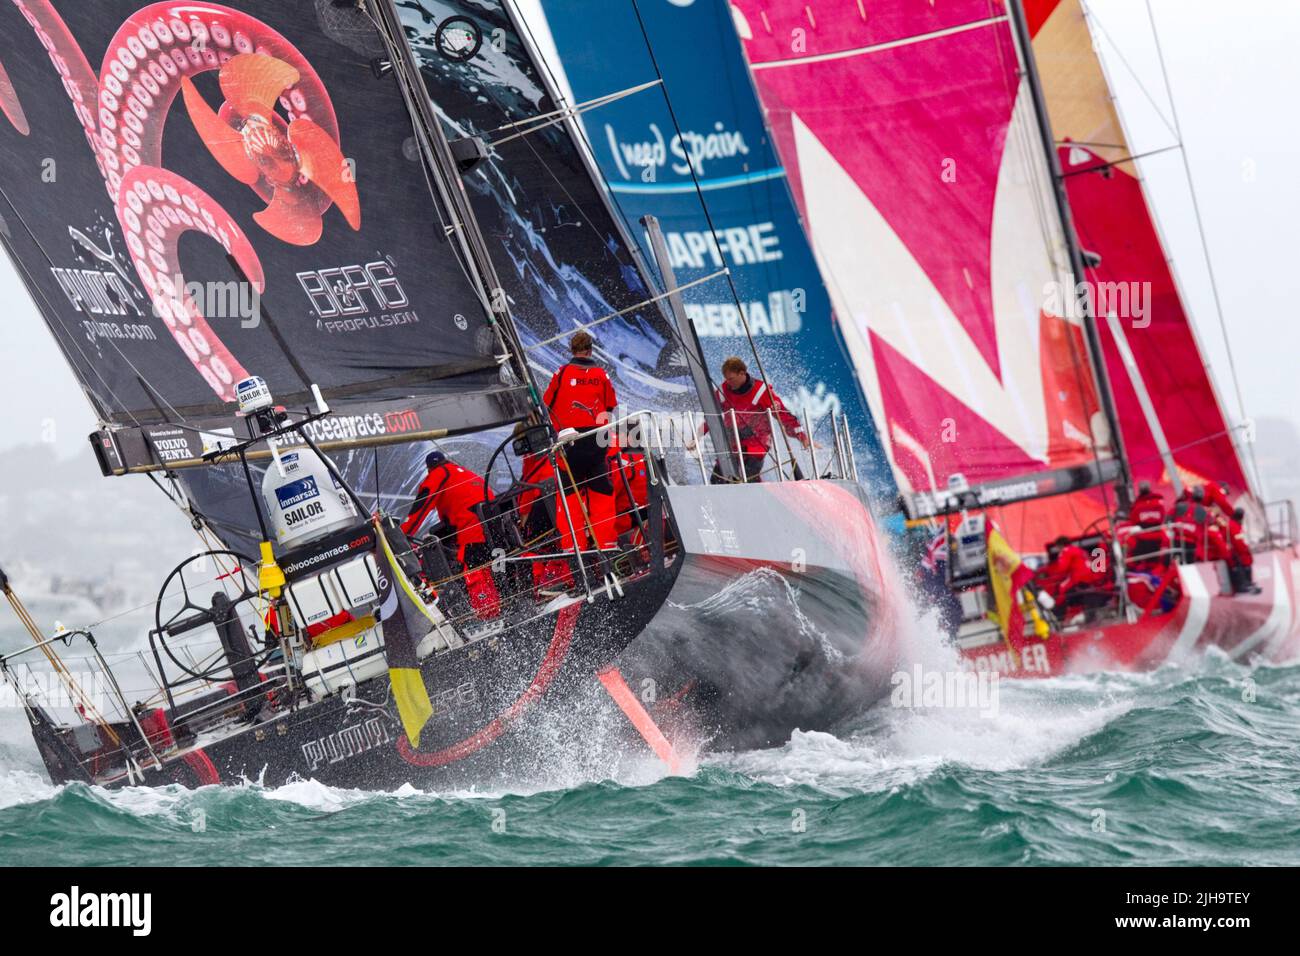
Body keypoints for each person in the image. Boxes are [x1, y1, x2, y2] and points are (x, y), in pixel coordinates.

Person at [402, 450, 501, 620]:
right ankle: (499, 608)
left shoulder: (438, 474)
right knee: (494, 573)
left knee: (475, 573)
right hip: (495, 530)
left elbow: (421, 507)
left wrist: (402, 534)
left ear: (429, 469)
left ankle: (488, 617)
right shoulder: (463, 471)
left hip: (472, 534)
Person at [542, 330, 618, 549]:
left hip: (570, 443)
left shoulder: (562, 373)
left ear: (572, 350)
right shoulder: (602, 374)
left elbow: (546, 405)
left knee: (570, 495)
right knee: (601, 489)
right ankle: (607, 545)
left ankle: (574, 548)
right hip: (596, 442)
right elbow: (610, 405)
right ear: (591, 350)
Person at [689, 356, 810, 482]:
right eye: (726, 379)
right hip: (733, 442)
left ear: (742, 373)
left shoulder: (761, 391)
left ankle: (759, 495)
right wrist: (697, 436)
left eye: (731, 379)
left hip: (757, 442)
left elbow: (784, 415)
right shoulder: (722, 391)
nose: (728, 383)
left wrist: (802, 437)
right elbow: (712, 417)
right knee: (717, 480)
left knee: (749, 476)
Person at [1227, 506, 1260, 594]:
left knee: (1246, 561)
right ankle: (1243, 585)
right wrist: (1246, 550)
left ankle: (1247, 583)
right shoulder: (1234, 526)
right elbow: (1239, 542)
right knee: (1244, 562)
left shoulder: (1234, 525)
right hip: (1237, 553)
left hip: (1238, 551)